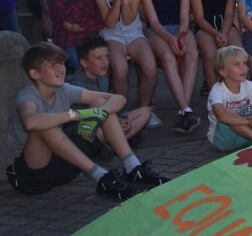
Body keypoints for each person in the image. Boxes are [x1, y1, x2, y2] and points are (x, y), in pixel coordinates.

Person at [6, 42, 167, 200]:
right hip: (32, 175)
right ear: (35, 74)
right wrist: (75, 115)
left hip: (63, 163)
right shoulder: (28, 95)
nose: (60, 69)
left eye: (61, 63)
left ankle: (132, 168)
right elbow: (30, 122)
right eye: (52, 65)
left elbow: (118, 99)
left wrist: (100, 112)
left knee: (101, 105)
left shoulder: (64, 89)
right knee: (45, 126)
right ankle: (101, 176)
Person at [91, 0, 159, 129]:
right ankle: (122, 110)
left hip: (134, 33)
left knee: (150, 66)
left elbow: (128, 19)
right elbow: (111, 23)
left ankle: (145, 109)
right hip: (112, 35)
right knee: (119, 69)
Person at [143, 0, 200, 133]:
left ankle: (184, 108)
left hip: (179, 27)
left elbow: (184, 17)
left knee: (192, 53)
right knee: (168, 57)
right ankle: (186, 109)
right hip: (159, 31)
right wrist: (170, 39)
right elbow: (153, 21)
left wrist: (180, 36)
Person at [67, 36, 151, 146]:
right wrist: (114, 123)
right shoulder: (75, 84)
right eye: (98, 58)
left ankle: (114, 143)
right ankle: (122, 140)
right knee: (99, 133)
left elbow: (111, 107)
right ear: (84, 63)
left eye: (107, 57)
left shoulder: (103, 78)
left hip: (107, 119)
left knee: (145, 112)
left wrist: (122, 120)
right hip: (85, 127)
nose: (105, 62)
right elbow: (81, 119)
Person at [191, 0, 240, 97]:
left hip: (225, 23)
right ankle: (214, 95)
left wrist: (224, 33)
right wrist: (215, 33)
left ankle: (238, 91)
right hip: (205, 25)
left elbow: (229, 13)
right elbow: (198, 17)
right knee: (210, 54)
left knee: (237, 52)